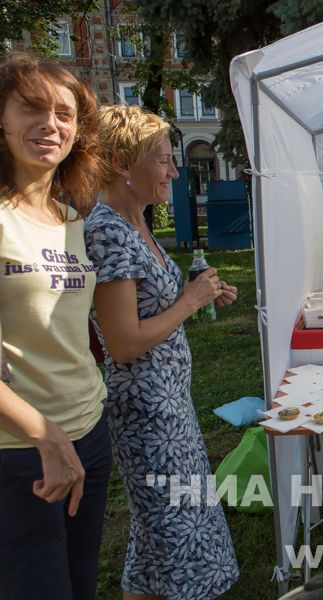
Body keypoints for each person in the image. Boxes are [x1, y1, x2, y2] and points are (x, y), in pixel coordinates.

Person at [86, 105, 240, 600]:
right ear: (121, 164)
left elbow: (153, 309)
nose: (173, 172)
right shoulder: (107, 231)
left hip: (169, 405)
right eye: (163, 160)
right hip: (147, 415)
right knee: (176, 538)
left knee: (155, 546)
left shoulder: (136, 223)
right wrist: (190, 302)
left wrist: (201, 292)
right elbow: (123, 342)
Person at [0, 52, 111, 600]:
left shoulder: (70, 219)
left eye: (64, 114)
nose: (50, 124)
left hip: (88, 430)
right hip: (21, 450)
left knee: (80, 584)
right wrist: (44, 435)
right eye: (31, 107)